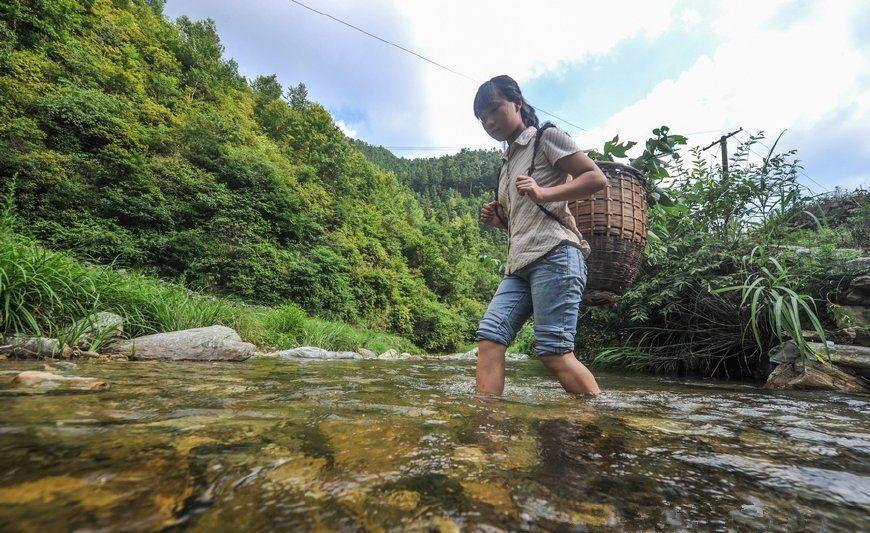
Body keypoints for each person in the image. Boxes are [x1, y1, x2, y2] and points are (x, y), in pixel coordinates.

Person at [474, 75, 607, 396]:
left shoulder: (545, 138)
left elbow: (596, 178)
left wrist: (544, 192)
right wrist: (500, 221)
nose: (490, 121)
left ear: (517, 103)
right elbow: (524, 218)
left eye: (494, 110)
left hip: (557, 254)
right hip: (519, 265)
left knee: (553, 351)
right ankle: (486, 428)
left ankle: (600, 418)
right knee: (489, 341)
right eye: (482, 118)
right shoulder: (506, 164)